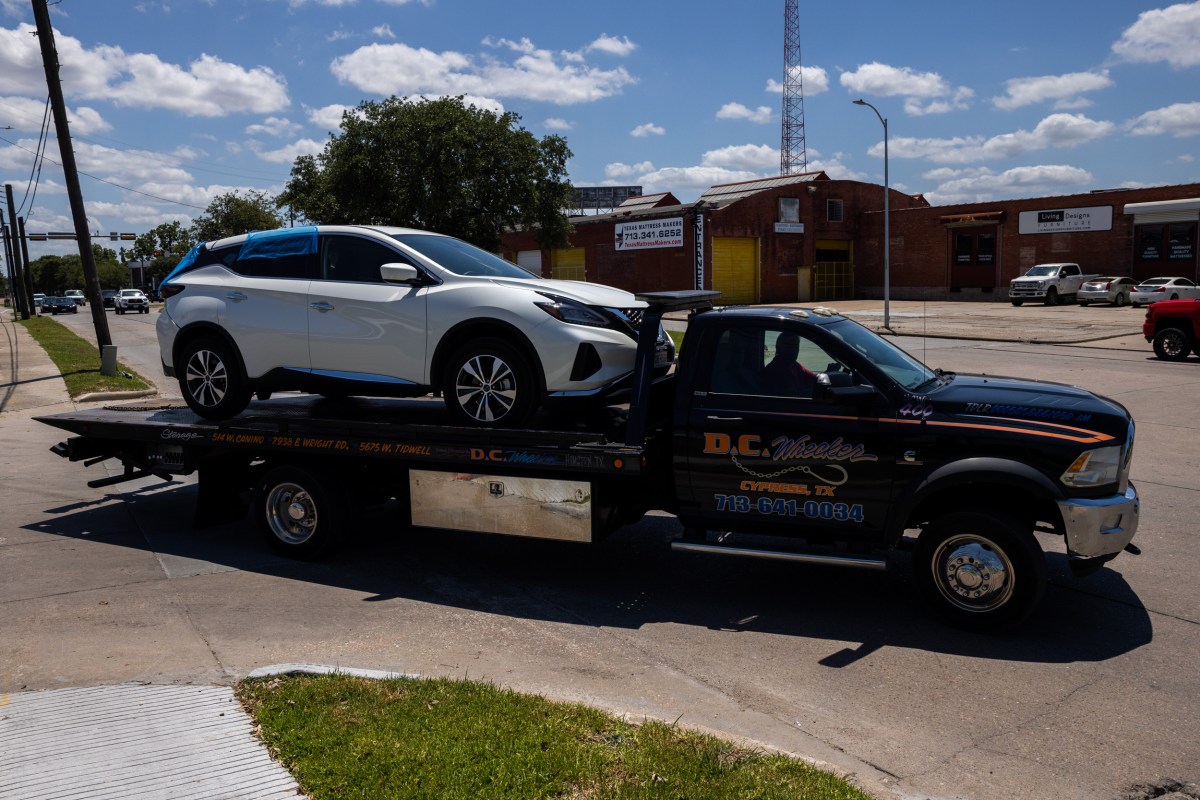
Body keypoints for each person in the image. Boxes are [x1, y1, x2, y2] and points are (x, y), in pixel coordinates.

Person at [763, 332, 817, 397]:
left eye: (796, 345)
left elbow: (813, 378)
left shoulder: (794, 365)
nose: (793, 349)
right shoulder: (774, 370)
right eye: (789, 345)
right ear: (779, 347)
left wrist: (826, 375)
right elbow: (794, 396)